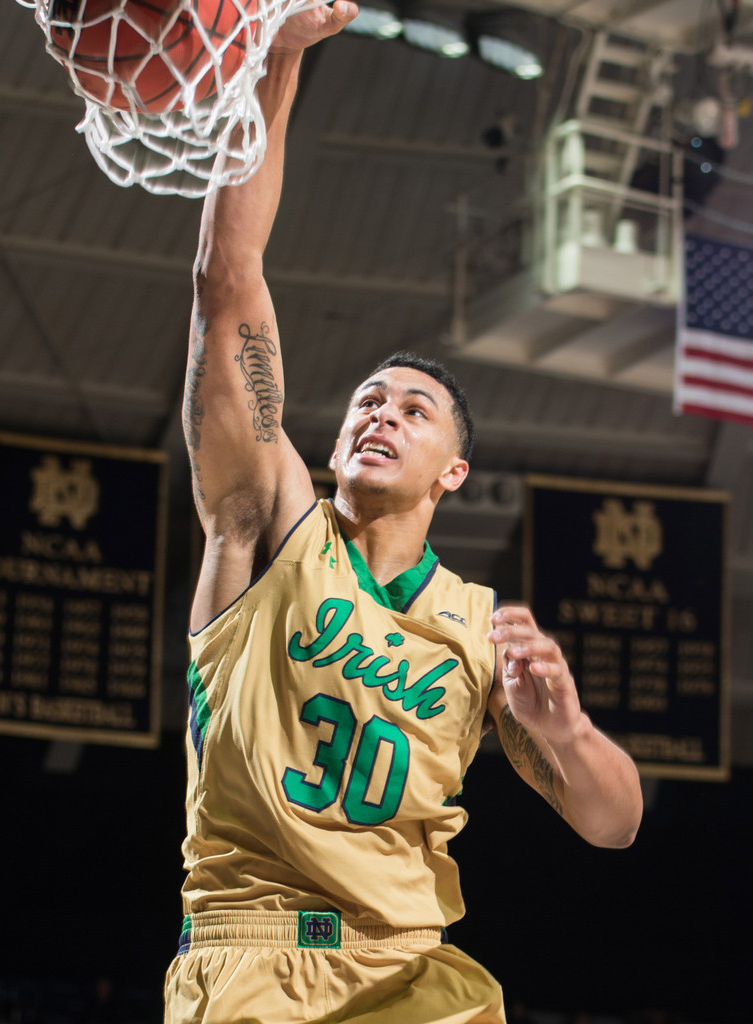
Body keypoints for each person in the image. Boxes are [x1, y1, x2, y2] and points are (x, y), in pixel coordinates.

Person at [164, 5, 644, 1022]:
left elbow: (612, 824)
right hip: (254, 962)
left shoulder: (476, 629)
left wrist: (568, 731)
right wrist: (280, 56)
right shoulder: (267, 525)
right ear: (333, 445)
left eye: (411, 407)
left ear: (453, 470)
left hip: (414, 977)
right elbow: (227, 283)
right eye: (365, 403)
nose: (380, 412)